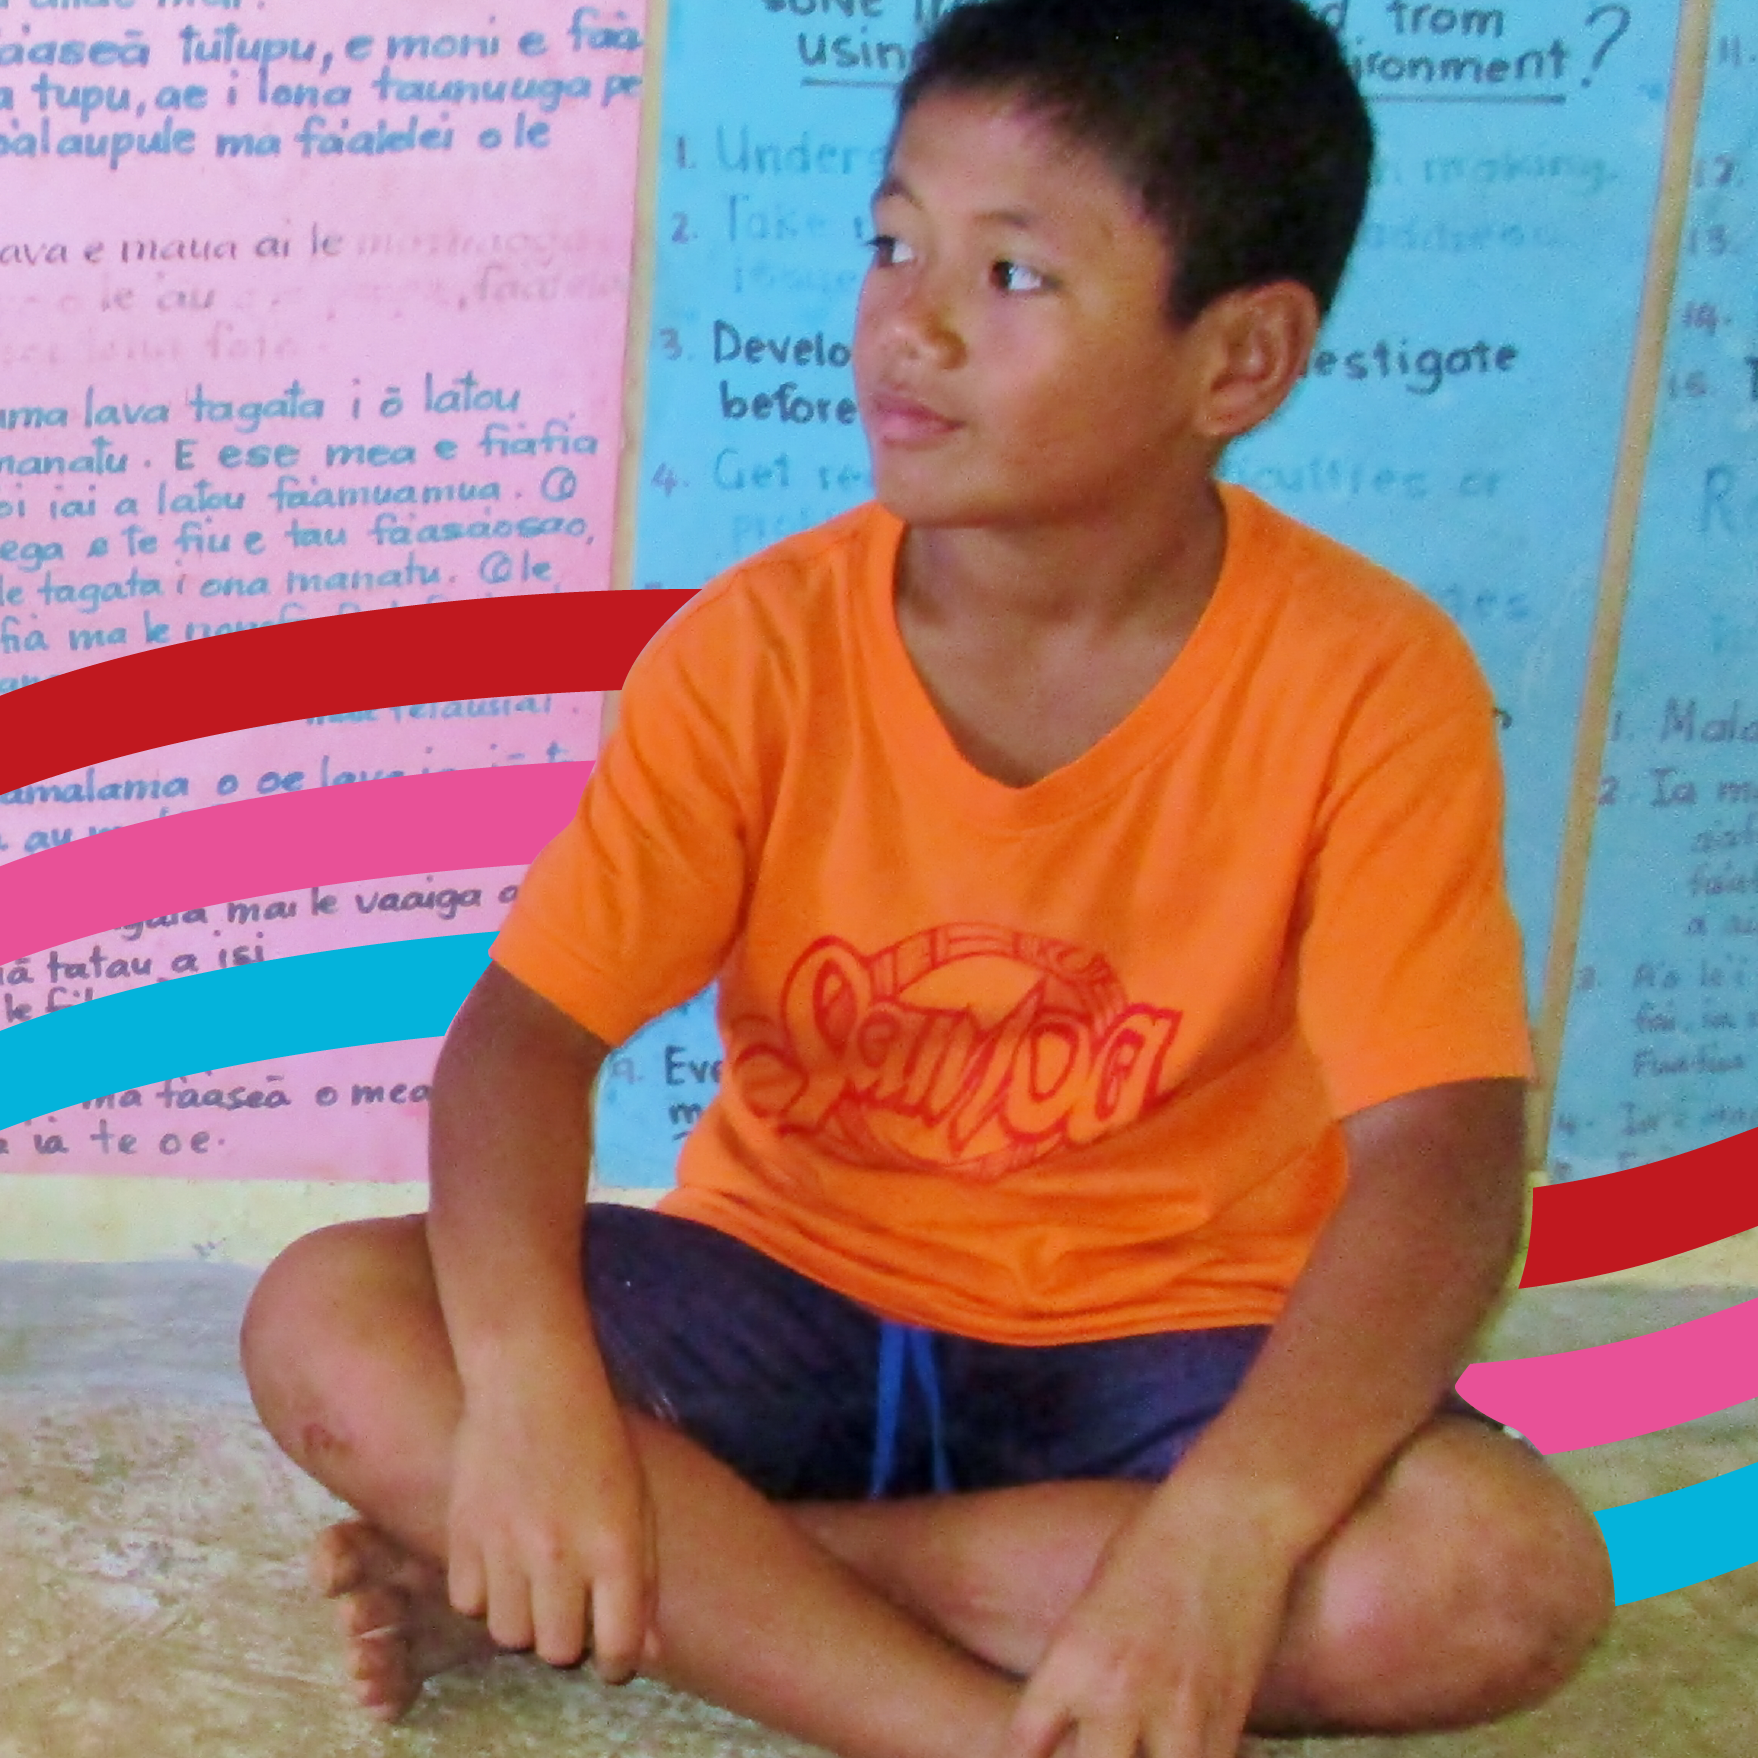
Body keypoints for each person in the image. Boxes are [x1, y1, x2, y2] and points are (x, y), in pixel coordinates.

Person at [239, 3, 1614, 1754]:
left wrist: (1226, 1533)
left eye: (1016, 275)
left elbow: (1440, 1158)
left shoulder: (1366, 678)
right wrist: (525, 1404)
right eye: (892, 242)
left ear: (1240, 361)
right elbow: (525, 1037)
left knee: (1496, 1583)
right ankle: (951, 1725)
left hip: (1176, 1344)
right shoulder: (758, 647)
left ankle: (665, 1591)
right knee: (330, 1318)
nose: (915, 320)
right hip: (789, 1301)